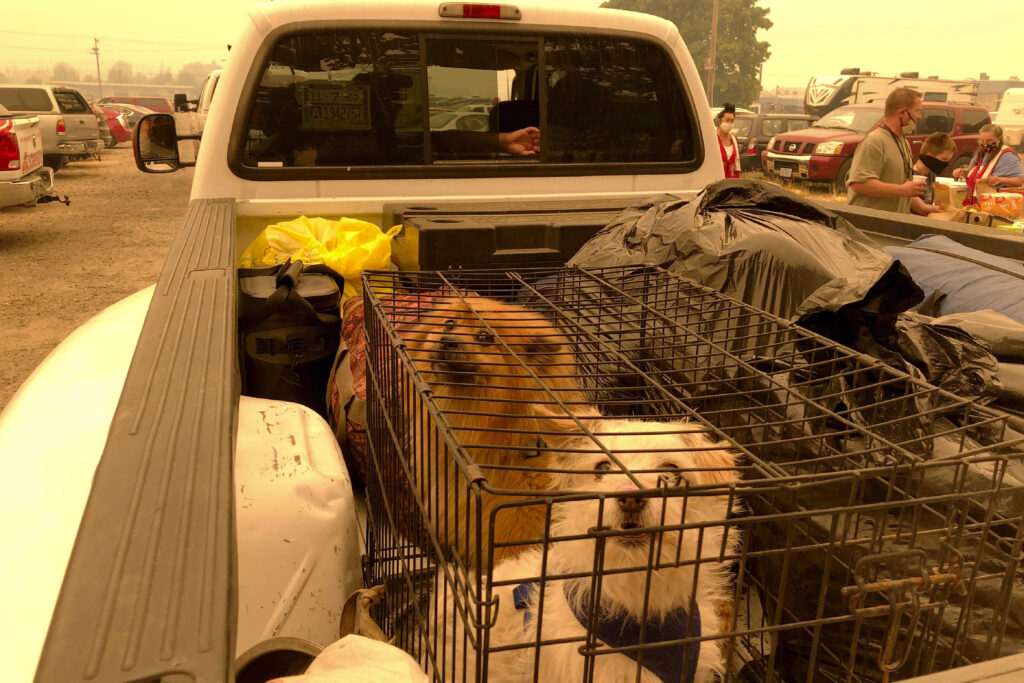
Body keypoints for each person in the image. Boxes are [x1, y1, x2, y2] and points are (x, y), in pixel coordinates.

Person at [846, 88, 941, 216]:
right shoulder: (874, 141)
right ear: (903, 113)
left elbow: (902, 189)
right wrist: (902, 190)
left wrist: (924, 207)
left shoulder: (903, 143)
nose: (919, 116)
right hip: (868, 227)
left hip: (893, 225)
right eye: (917, 111)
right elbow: (859, 184)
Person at [952, 124, 1024, 206]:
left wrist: (1000, 180)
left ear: (999, 139)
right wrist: (963, 172)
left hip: (996, 204)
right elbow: (975, 171)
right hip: (975, 203)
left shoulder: (1007, 155)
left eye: (989, 140)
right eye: (982, 141)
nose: (985, 144)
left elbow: (1020, 180)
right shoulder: (981, 152)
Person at [912, 132, 957, 206]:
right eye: (944, 159)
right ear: (930, 156)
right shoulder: (912, 176)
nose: (946, 164)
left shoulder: (931, 174)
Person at [714, 103, 741, 178]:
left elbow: (736, 166)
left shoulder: (734, 140)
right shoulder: (713, 139)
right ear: (719, 121)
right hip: (716, 182)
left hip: (730, 184)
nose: (729, 123)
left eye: (732, 121)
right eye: (727, 120)